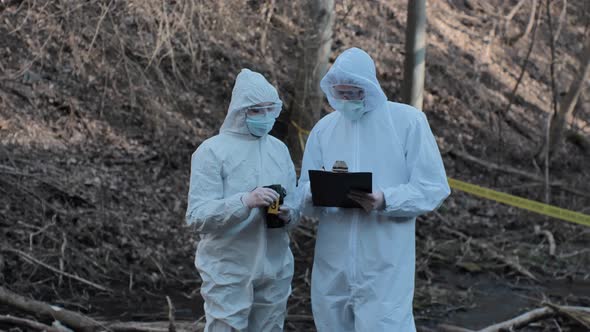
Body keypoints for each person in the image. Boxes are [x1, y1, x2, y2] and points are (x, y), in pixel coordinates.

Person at [298, 47, 450, 331]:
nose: (346, 101)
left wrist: (385, 199)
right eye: (340, 93)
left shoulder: (407, 122)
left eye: (353, 92)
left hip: (384, 264)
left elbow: (433, 188)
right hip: (333, 265)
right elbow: (304, 194)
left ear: (369, 87)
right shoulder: (324, 129)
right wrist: (314, 193)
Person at [186, 69, 299, 332]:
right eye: (256, 110)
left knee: (270, 327)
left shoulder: (278, 150)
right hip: (228, 267)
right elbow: (197, 216)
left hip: (275, 264)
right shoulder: (212, 151)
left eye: (270, 109)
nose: (265, 117)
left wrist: (288, 214)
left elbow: (294, 206)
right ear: (240, 111)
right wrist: (245, 201)